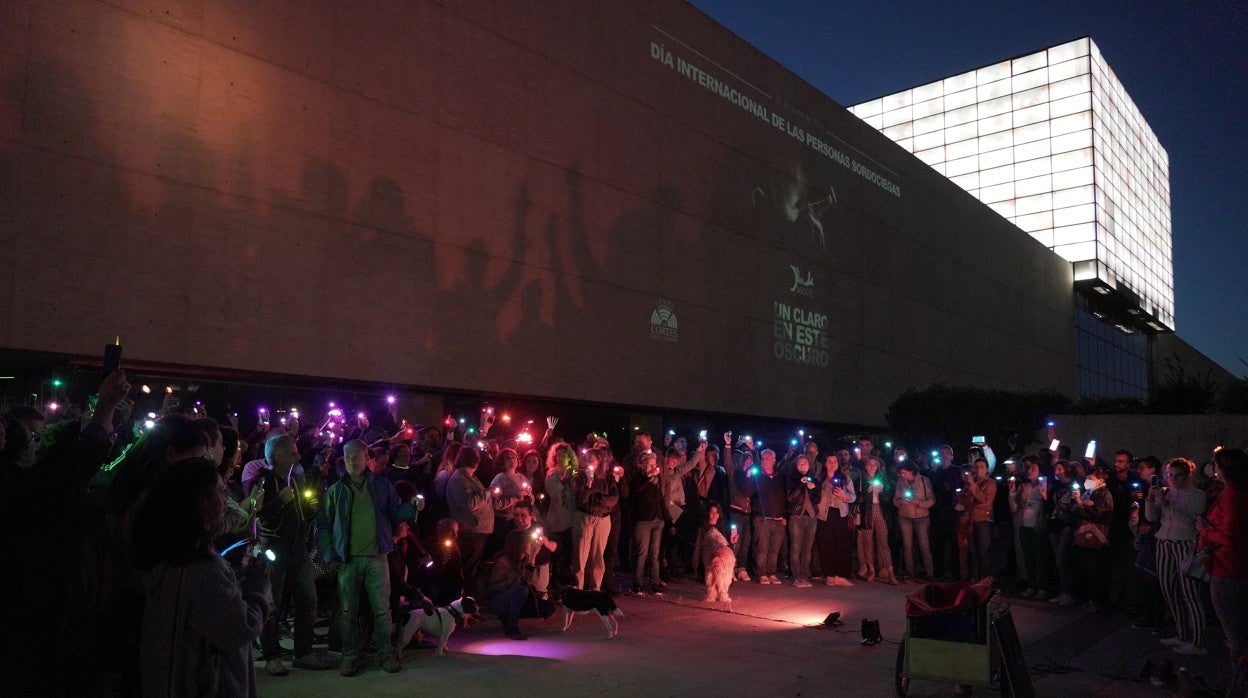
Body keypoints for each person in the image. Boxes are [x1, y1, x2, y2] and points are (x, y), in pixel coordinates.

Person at [133, 457, 270, 697]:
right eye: (220, 491)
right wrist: (257, 586)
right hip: (205, 683)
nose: (226, 499)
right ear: (200, 500)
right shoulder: (201, 568)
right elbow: (237, 629)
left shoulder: (163, 550)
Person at [318, 440, 418, 677]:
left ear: (367, 458)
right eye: (348, 457)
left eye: (357, 456)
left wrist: (412, 509)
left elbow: (395, 513)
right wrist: (328, 553)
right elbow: (324, 526)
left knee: (382, 610)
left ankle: (385, 653)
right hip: (347, 560)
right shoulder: (335, 491)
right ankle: (350, 655)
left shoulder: (382, 486)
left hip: (377, 557)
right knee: (347, 611)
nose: (352, 461)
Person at [248, 435, 327, 675]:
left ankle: (302, 653)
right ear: (279, 455)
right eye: (293, 452)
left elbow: (303, 512)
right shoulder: (262, 480)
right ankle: (272, 656)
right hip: (275, 550)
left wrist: (311, 510)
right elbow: (257, 514)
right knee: (272, 605)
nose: (299, 455)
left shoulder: (296, 478)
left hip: (298, 549)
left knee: (308, 601)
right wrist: (279, 502)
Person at [1198, 448, 1248, 695]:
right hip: (1233, 568)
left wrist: (1205, 530)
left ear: (1224, 468)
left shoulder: (1232, 495)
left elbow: (1229, 535)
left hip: (1229, 570)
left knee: (1236, 637)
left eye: (1215, 465)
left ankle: (1238, 689)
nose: (1212, 468)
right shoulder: (1234, 493)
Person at [1147, 458, 1209, 656]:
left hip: (1185, 543)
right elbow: (1152, 517)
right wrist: (1151, 500)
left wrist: (1170, 501)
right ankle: (1182, 634)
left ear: (1188, 475)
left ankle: (1198, 641)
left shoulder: (1198, 494)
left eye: (1176, 475)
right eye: (1169, 475)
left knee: (1190, 594)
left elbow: (1194, 515)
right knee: (1169, 591)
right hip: (1164, 542)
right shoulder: (1165, 492)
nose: (1172, 479)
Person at [445, 446, 497, 590]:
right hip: (471, 533)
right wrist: (488, 492)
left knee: (473, 570)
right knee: (469, 571)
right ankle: (465, 601)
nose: (475, 460)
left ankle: (469, 600)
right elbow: (470, 504)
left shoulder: (469, 477)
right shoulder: (459, 479)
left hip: (478, 531)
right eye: (472, 457)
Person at [571, 447, 619, 590]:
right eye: (585, 459)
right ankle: (577, 589)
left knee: (598, 555)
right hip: (584, 517)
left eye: (590, 459)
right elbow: (581, 499)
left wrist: (601, 499)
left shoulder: (608, 477)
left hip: (603, 519)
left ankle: (595, 589)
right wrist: (589, 483)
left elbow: (614, 497)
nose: (587, 461)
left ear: (599, 460)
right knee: (580, 555)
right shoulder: (580, 477)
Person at [629, 450, 669, 596]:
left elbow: (660, 499)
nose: (653, 467)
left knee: (655, 554)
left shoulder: (657, 480)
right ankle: (637, 584)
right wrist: (648, 477)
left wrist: (667, 518)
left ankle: (655, 583)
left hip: (657, 519)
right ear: (643, 465)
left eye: (654, 464)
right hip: (643, 520)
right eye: (650, 464)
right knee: (641, 553)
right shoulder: (638, 479)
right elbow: (637, 491)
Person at [854, 456, 897, 584]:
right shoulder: (861, 480)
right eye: (870, 464)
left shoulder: (884, 479)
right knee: (867, 543)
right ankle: (871, 569)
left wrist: (882, 492)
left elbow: (889, 498)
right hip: (867, 513)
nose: (872, 466)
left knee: (883, 542)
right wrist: (868, 491)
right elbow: (857, 498)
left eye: (875, 464)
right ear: (866, 466)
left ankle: (890, 571)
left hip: (880, 511)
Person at [815, 453, 856, 586]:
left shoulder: (845, 478)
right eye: (829, 461)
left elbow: (853, 497)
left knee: (841, 544)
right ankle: (829, 574)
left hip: (840, 513)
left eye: (834, 461)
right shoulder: (820, 478)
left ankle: (841, 575)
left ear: (838, 464)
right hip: (823, 514)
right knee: (826, 545)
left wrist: (844, 496)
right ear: (825, 463)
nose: (832, 463)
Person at [894, 461, 935, 582]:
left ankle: (929, 573)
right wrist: (901, 502)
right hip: (905, 516)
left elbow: (932, 499)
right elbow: (895, 499)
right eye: (901, 473)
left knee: (924, 545)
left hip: (921, 517)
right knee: (907, 545)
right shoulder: (901, 482)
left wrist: (920, 503)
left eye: (904, 472)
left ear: (911, 471)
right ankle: (910, 572)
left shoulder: (924, 480)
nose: (902, 475)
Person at [784, 455, 820, 587]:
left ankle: (805, 576)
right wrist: (801, 484)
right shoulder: (792, 479)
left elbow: (818, 500)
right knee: (795, 548)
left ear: (809, 465)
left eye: (805, 463)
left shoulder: (815, 479)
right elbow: (790, 498)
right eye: (800, 463)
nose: (802, 465)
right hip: (796, 517)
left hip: (811, 518)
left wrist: (814, 489)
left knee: (807, 549)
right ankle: (797, 576)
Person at [962, 457, 997, 581]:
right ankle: (975, 577)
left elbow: (985, 501)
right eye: (976, 467)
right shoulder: (970, 483)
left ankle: (986, 578)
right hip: (971, 520)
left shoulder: (990, 483)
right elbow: (965, 501)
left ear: (987, 469)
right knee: (973, 550)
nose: (979, 469)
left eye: (982, 467)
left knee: (984, 550)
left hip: (983, 521)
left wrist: (972, 486)